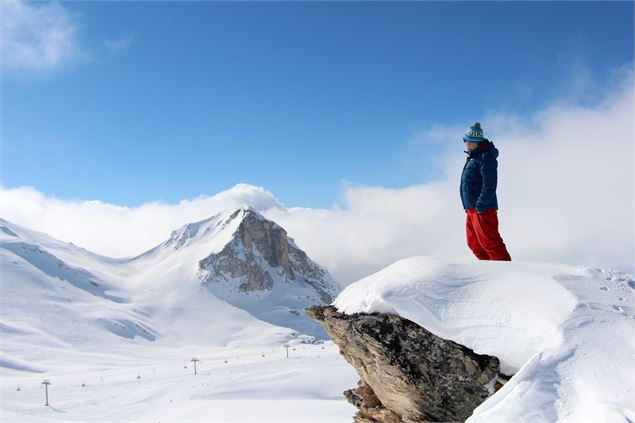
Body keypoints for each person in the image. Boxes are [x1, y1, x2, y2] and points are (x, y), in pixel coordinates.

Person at [460, 122, 511, 261]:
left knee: (490, 243)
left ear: (477, 142)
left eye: (470, 141)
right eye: (465, 140)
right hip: (471, 207)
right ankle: (487, 272)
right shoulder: (473, 157)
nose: (467, 144)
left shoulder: (486, 157)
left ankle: (506, 273)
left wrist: (481, 203)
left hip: (483, 208)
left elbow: (490, 183)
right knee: (474, 243)